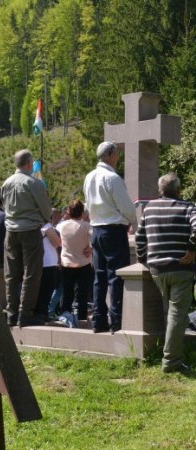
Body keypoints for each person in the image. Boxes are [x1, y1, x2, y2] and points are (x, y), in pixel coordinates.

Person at [136, 173, 196, 374]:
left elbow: (139, 238)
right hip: (181, 268)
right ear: (178, 190)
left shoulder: (149, 208)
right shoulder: (188, 207)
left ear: (160, 190)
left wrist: (143, 259)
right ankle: (171, 361)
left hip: (157, 270)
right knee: (177, 315)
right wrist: (191, 251)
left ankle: (170, 353)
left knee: (170, 313)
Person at [83, 141, 136, 333]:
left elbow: (87, 206)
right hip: (113, 230)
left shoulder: (89, 177)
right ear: (112, 155)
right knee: (115, 276)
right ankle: (116, 321)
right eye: (117, 155)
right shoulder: (112, 178)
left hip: (96, 230)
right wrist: (132, 221)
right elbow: (127, 207)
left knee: (99, 277)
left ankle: (98, 320)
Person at [1, 149, 52, 327]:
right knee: (31, 272)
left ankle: (11, 312)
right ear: (29, 163)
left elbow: (4, 205)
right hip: (30, 230)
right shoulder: (34, 183)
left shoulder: (6, 183)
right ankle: (25, 313)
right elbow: (46, 209)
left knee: (11, 274)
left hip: (10, 231)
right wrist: (45, 219)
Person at [58, 200, 92, 322]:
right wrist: (90, 248)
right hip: (83, 262)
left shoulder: (62, 226)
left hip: (66, 262)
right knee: (83, 293)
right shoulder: (86, 226)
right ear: (82, 212)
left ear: (69, 211)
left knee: (67, 292)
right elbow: (94, 239)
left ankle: (65, 315)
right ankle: (82, 317)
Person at [35, 219, 61, 320]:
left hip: (35, 262)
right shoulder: (45, 225)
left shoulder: (28, 223)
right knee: (46, 292)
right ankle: (43, 315)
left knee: (38, 292)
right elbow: (57, 243)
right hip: (48, 263)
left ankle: (38, 314)